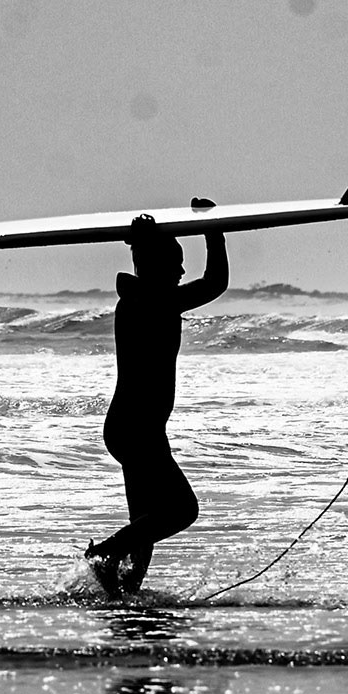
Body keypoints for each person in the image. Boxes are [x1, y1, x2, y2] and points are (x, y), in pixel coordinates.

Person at [85, 200, 228, 598]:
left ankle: (122, 602)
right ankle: (105, 555)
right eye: (176, 263)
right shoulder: (149, 300)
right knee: (182, 511)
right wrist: (212, 226)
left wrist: (148, 243)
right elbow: (215, 282)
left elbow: (199, 280)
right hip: (135, 430)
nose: (183, 272)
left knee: (144, 527)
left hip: (139, 429)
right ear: (157, 265)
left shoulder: (145, 298)